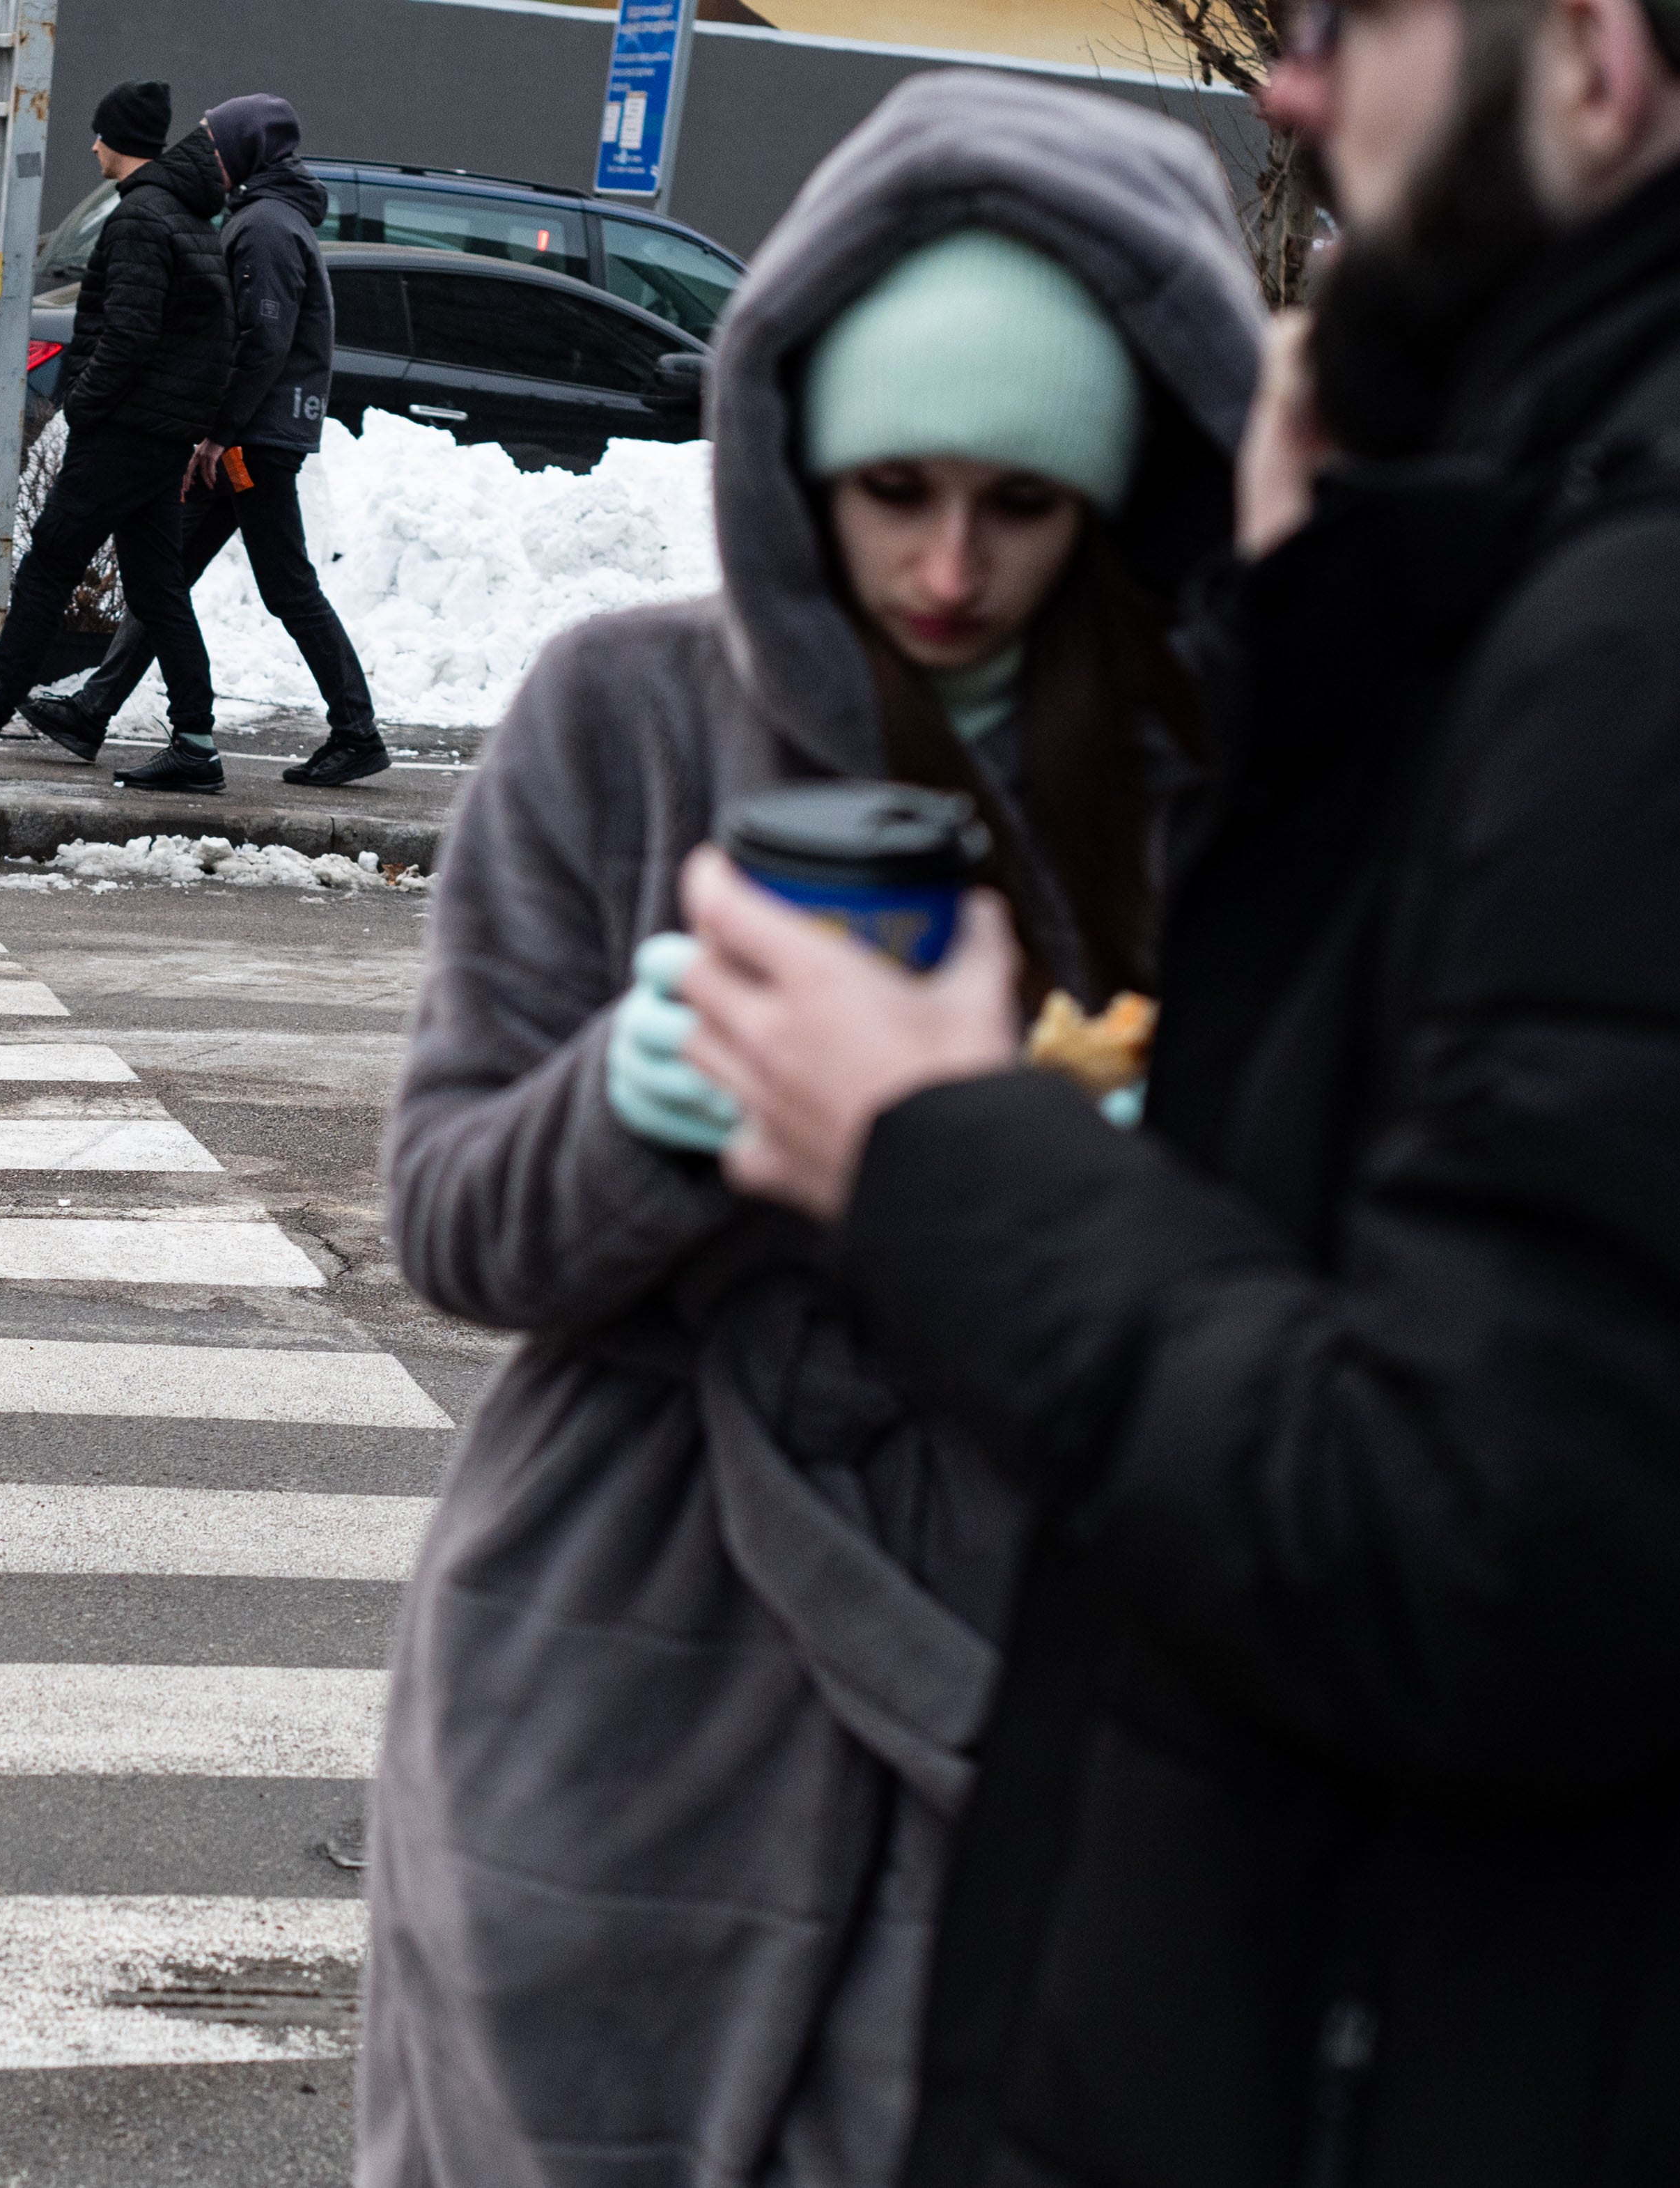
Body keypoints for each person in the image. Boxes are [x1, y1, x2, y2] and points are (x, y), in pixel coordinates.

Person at [676, 1, 1680, 2180]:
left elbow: (1486, 1545)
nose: (1290, 90)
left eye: (1351, 28)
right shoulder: (1530, 559)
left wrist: (934, 1151)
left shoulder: (1626, 629)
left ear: (1593, 61)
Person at [363, 73, 1259, 2188]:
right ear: (795, 456)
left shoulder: (1218, 791)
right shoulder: (617, 717)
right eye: (891, 489)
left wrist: (1082, 1164)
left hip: (1029, 1645)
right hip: (617, 1654)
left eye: (1020, 504)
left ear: (1123, 492)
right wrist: (636, 1104)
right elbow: (447, 1218)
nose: (944, 569)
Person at [18, 93, 384, 790]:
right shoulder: (260, 216)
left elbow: (262, 338)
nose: (205, 154)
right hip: (247, 435)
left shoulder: (267, 227)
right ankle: (93, 708)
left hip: (252, 443)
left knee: (284, 586)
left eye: (215, 142)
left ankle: (356, 731)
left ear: (246, 150)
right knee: (168, 574)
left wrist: (217, 434)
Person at [0, 81, 230, 789]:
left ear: (119, 140)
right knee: (157, 586)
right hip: (157, 434)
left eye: (98, 132)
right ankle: (195, 744)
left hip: (124, 432)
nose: (92, 144)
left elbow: (128, 334)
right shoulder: (188, 218)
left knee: (48, 567)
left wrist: (84, 406)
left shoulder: (141, 218)